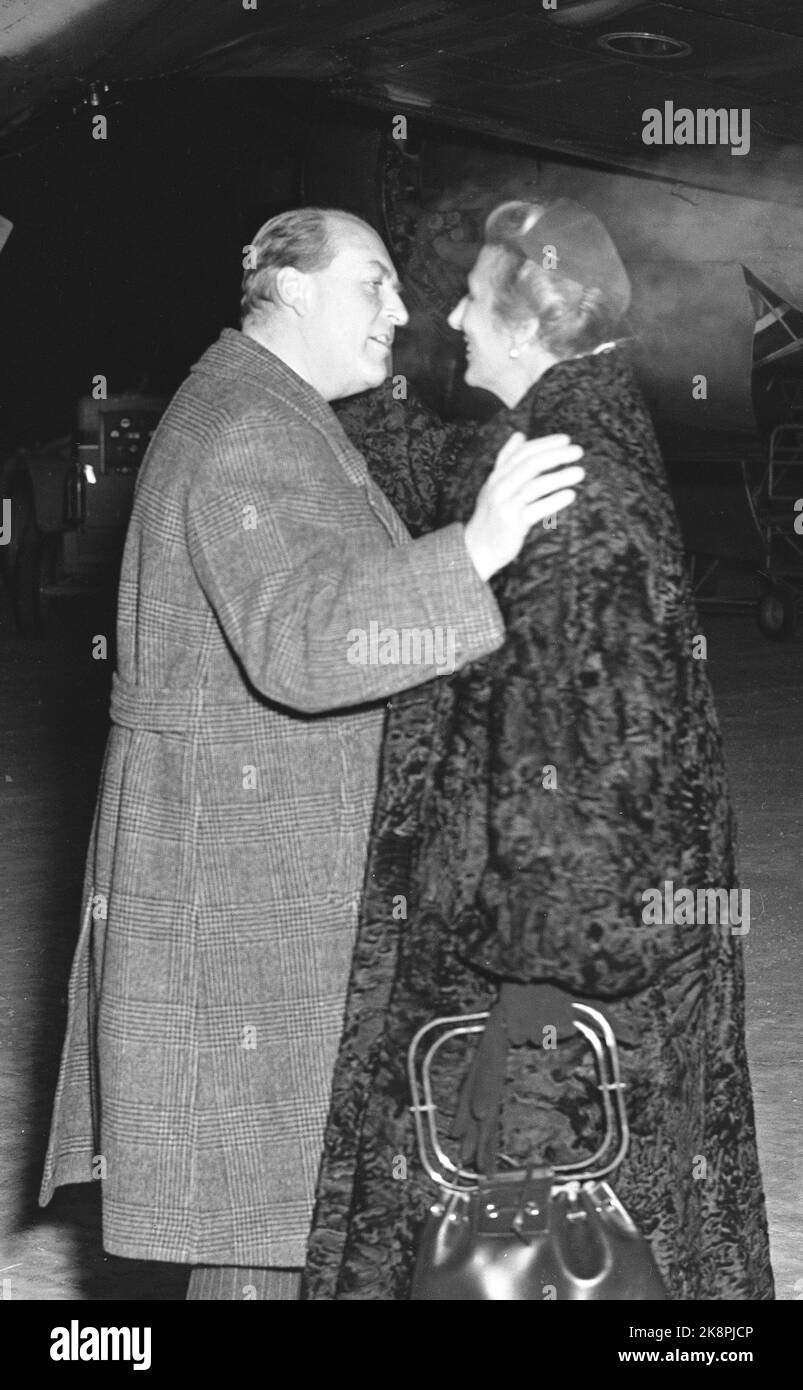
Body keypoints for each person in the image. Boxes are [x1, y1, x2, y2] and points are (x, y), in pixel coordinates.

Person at [37, 207, 585, 1301]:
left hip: (254, 871)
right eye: (371, 284)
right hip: (248, 895)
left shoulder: (266, 408)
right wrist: (472, 548)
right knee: (262, 1222)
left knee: (280, 1213)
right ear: (286, 287)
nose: (399, 309)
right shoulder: (246, 426)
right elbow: (301, 641)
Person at [302, 199, 775, 1301]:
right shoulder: (572, 440)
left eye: (473, 295)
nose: (451, 314)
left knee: (550, 1243)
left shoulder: (565, 490)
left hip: (546, 981)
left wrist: (533, 1021)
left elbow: (588, 779)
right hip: (579, 965)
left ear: (524, 321)